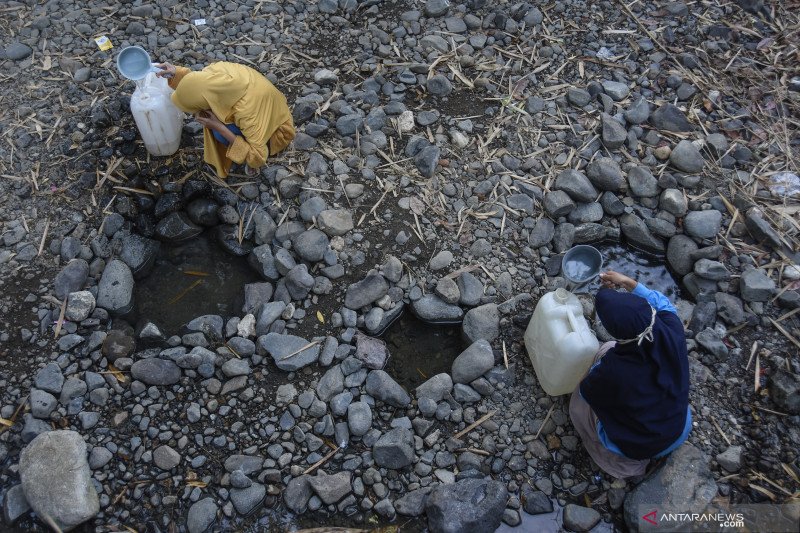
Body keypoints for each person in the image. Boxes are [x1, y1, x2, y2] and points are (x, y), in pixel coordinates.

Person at [568, 270, 692, 479]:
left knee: (579, 404)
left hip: (643, 445)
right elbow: (661, 303)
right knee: (608, 350)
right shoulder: (672, 328)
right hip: (679, 427)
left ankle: (622, 464)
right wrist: (628, 283)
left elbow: (589, 391)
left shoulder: (615, 371)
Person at [156, 62, 295, 178]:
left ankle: (247, 147)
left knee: (218, 134)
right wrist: (176, 73)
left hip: (277, 130)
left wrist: (219, 127)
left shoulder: (246, 112)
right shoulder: (215, 70)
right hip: (264, 104)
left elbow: (258, 157)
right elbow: (198, 82)